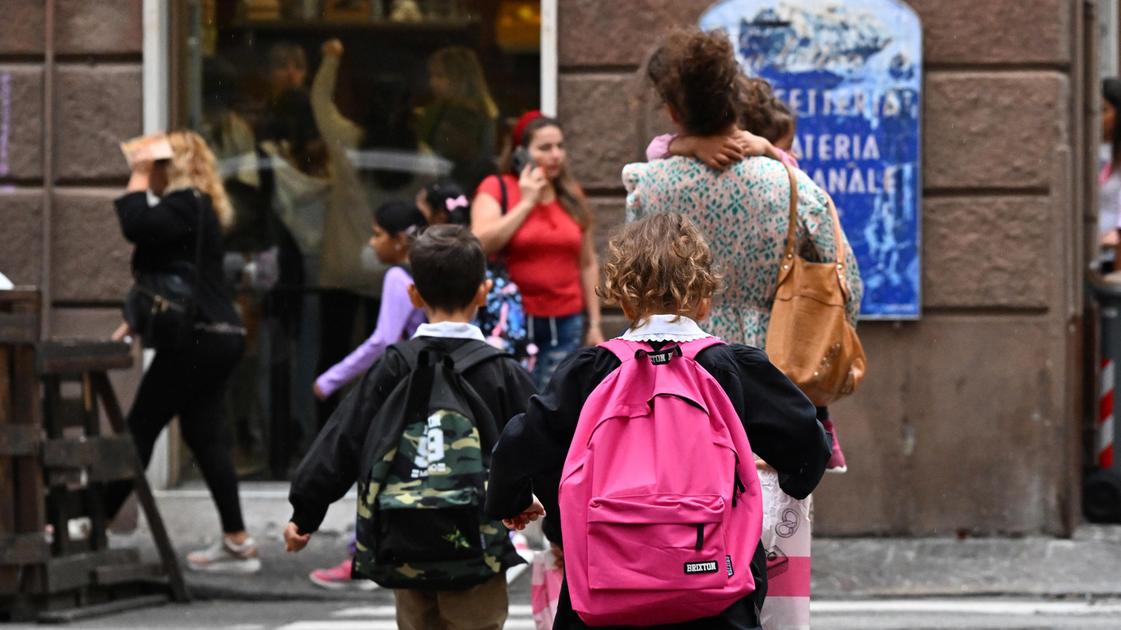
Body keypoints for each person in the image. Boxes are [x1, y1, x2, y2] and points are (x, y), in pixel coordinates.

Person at [485, 213, 832, 629]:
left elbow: (522, 443)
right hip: (715, 591)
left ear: (625, 301)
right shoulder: (732, 368)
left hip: (605, 589)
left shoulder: (590, 372)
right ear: (704, 298)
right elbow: (808, 444)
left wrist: (516, 501)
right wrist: (789, 480)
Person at [625, 29, 862, 630]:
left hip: (673, 391)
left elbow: (630, 291)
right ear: (736, 99)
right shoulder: (787, 183)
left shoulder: (648, 186)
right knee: (773, 576)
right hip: (772, 389)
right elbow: (846, 286)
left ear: (674, 110)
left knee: (686, 555)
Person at [284, 225, 537, 628]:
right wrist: (552, 516)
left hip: (404, 536)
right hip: (477, 544)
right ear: (483, 292)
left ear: (414, 295)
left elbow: (344, 436)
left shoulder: (394, 365)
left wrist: (306, 511)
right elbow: (541, 445)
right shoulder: (500, 371)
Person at [106, 131, 259, 573]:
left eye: (152, 166)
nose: (144, 174)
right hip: (215, 334)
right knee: (204, 433)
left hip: (198, 338)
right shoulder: (195, 207)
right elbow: (168, 273)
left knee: (141, 426)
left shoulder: (185, 202)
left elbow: (134, 224)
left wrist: (136, 173)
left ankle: (91, 521)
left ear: (168, 167)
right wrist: (137, 316)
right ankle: (237, 542)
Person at [471, 114, 604, 390]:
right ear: (521, 153)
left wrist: (594, 323)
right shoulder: (498, 187)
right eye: (545, 148)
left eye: (560, 146)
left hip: (566, 320)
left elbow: (588, 263)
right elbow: (480, 243)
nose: (556, 155)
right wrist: (527, 202)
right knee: (516, 400)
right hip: (514, 319)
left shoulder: (571, 194)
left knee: (555, 401)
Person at [417, 46, 500, 193]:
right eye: (432, 76)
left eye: (440, 76)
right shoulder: (480, 111)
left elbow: (448, 156)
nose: (432, 83)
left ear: (459, 79)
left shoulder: (462, 116)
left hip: (458, 190)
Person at [1101, 78, 1121, 269]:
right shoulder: (1096, 154)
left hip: (1113, 260)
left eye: (1104, 110)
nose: (1097, 118)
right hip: (1096, 257)